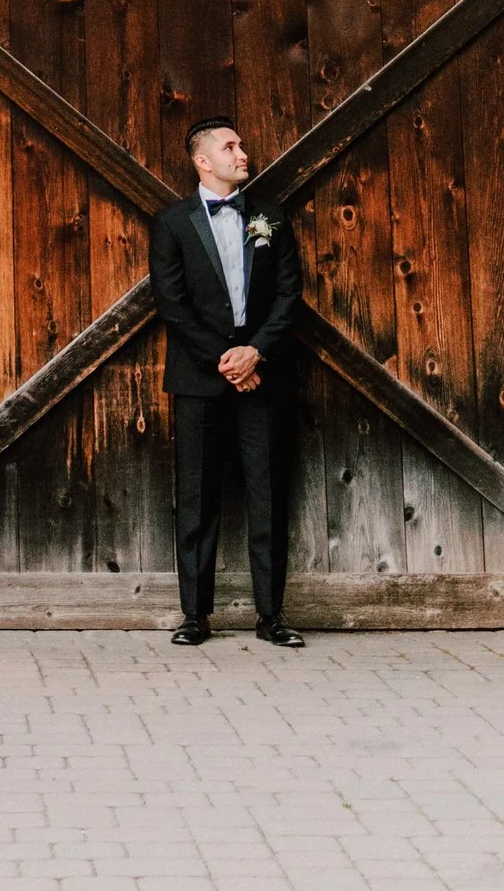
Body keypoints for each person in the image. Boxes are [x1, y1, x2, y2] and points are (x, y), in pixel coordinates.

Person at [149, 116, 304, 649]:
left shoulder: (271, 218)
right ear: (202, 161)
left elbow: (289, 296)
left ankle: (271, 617)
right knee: (196, 500)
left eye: (241, 144)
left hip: (262, 377)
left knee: (267, 497)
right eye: (230, 146)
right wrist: (227, 360)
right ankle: (195, 616)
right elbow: (172, 303)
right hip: (199, 380)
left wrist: (254, 352)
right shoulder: (172, 222)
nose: (243, 153)